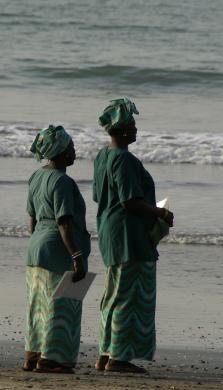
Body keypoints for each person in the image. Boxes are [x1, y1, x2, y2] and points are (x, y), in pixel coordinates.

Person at [92, 98, 174, 373]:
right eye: (133, 125)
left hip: (110, 231)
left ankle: (106, 353)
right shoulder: (125, 160)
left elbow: (98, 195)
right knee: (130, 295)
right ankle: (119, 358)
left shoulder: (103, 156)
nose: (136, 129)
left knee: (114, 294)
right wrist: (160, 214)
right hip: (129, 235)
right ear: (123, 130)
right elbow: (129, 202)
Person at [23, 125, 91, 374]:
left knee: (38, 305)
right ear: (60, 152)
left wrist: (38, 242)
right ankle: (52, 359)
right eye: (71, 147)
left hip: (36, 248)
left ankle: (33, 354)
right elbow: (64, 222)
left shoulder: (36, 176)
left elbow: (32, 218)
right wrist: (77, 255)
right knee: (60, 306)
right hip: (57, 249)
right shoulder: (62, 181)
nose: (74, 151)